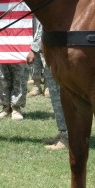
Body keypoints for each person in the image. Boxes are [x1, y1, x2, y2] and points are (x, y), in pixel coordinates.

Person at [30, 18, 68, 149]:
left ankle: (67, 137)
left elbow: (44, 27)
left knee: (60, 97)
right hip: (51, 55)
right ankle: (63, 132)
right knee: (56, 97)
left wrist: (33, 49)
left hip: (57, 56)